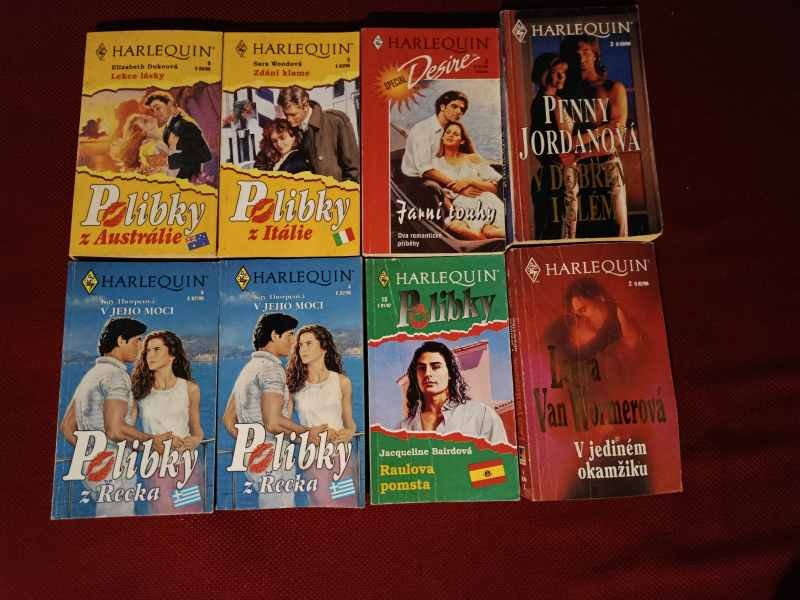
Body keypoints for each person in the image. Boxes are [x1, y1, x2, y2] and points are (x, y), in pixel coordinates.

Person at [60, 318, 171, 517]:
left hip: (94, 468)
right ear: (121, 340)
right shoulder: (116, 376)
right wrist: (152, 442)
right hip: (113, 468)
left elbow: (68, 427)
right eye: (137, 340)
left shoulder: (92, 375)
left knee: (109, 518)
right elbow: (115, 429)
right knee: (119, 521)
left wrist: (92, 455)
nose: (141, 346)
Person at [222, 313, 325, 508]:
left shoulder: (248, 369)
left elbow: (228, 419)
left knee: (271, 506)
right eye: (290, 335)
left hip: (254, 456)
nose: (294, 341)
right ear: (275, 335)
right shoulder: (272, 369)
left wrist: (252, 442)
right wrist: (307, 433)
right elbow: (273, 422)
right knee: (280, 508)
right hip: (272, 458)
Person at [560, 35, 629, 237]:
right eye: (575, 54)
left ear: (595, 55)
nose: (580, 58)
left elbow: (616, 135)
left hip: (605, 163)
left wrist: (579, 153)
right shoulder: (563, 92)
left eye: (585, 52)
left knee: (618, 227)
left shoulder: (612, 88)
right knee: (569, 231)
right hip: (572, 166)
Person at [131, 331, 204, 515]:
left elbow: (197, 431)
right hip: (157, 468)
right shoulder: (138, 392)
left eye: (156, 349)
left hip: (187, 467)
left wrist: (194, 440)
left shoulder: (190, 389)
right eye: (147, 351)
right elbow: (127, 437)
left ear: (172, 355)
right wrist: (153, 442)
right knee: (165, 517)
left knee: (191, 515)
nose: (150, 355)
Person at [286, 325, 357, 507]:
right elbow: (284, 429)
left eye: (309, 343)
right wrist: (308, 434)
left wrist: (349, 432)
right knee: (322, 504)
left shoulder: (342, 382)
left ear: (323, 347)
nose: (303, 349)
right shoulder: (294, 387)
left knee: (346, 504)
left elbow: (350, 424)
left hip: (342, 457)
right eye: (300, 345)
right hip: (313, 459)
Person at [399, 341, 507, 444]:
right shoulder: (403, 428)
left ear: (450, 373)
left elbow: (499, 455)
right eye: (422, 368)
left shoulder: (481, 416)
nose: (427, 373)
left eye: (435, 367)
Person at [399, 90, 485, 212]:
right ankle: (454, 217)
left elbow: (469, 154)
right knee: (434, 188)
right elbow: (426, 170)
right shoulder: (422, 130)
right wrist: (458, 186)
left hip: (440, 174)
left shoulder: (450, 129)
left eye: (462, 110)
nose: (459, 112)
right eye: (454, 106)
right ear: (442, 107)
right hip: (417, 181)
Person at [530, 53, 580, 240]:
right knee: (566, 226)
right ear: (545, 74)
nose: (561, 77)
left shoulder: (537, 101)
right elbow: (566, 140)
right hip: (563, 169)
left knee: (552, 224)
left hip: (549, 170)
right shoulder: (554, 101)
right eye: (556, 72)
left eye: (563, 73)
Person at [431, 122, 505, 240]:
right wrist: (452, 211)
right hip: (462, 206)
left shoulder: (473, 158)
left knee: (492, 232)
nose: (450, 135)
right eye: (448, 132)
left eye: (456, 134)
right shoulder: (435, 163)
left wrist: (470, 181)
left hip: (487, 201)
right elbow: (437, 191)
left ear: (462, 141)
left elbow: (493, 188)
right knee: (465, 229)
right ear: (442, 137)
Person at [276, 85, 359, 183]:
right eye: (286, 115)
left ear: (305, 106)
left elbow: (353, 170)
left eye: (293, 114)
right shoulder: (293, 130)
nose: (289, 119)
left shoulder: (335, 122)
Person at [144, 91, 213, 181]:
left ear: (169, 104)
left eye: (158, 108)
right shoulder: (167, 130)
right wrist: (158, 166)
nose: (155, 113)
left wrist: (167, 160)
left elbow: (204, 155)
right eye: (153, 111)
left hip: (188, 181)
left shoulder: (185, 125)